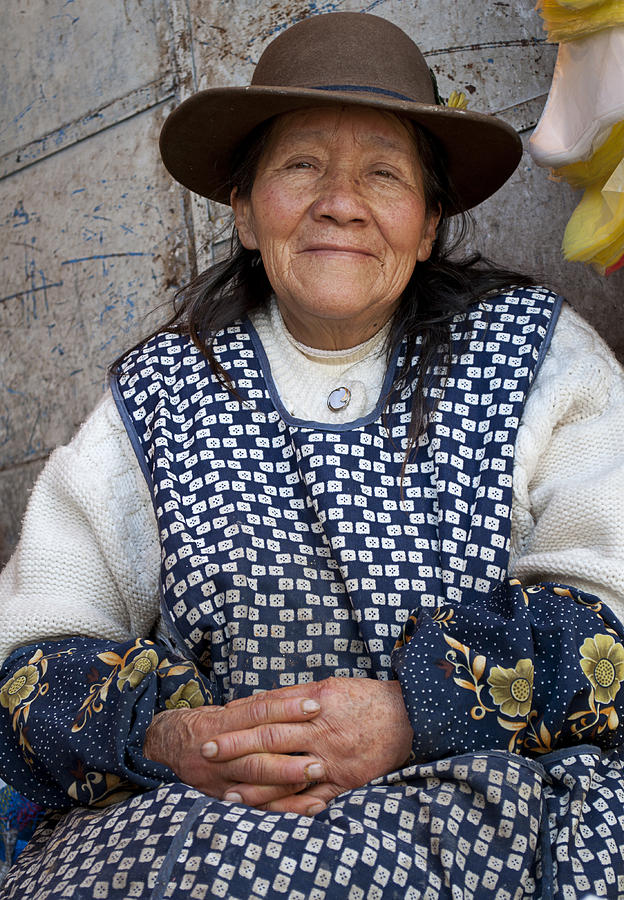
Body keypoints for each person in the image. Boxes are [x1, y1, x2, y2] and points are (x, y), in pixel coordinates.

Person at [0, 11, 623, 899]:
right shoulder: (163, 392)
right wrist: (179, 737)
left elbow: (614, 606)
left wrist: (419, 714)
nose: (341, 200)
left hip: (496, 806)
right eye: (301, 168)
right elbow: (30, 652)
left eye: (383, 172)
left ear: (429, 218)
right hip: (211, 823)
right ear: (246, 213)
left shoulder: (538, 358)